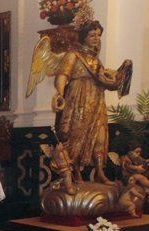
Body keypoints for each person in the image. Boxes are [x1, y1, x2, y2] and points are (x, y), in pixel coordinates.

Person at [52, 20, 132, 185]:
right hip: (78, 99)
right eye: (92, 35)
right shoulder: (73, 55)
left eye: (99, 35)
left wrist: (123, 70)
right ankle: (74, 173)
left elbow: (107, 81)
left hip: (96, 101)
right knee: (75, 136)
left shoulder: (96, 60)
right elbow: (62, 75)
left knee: (100, 138)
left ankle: (100, 173)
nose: (96, 38)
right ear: (83, 37)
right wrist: (60, 93)